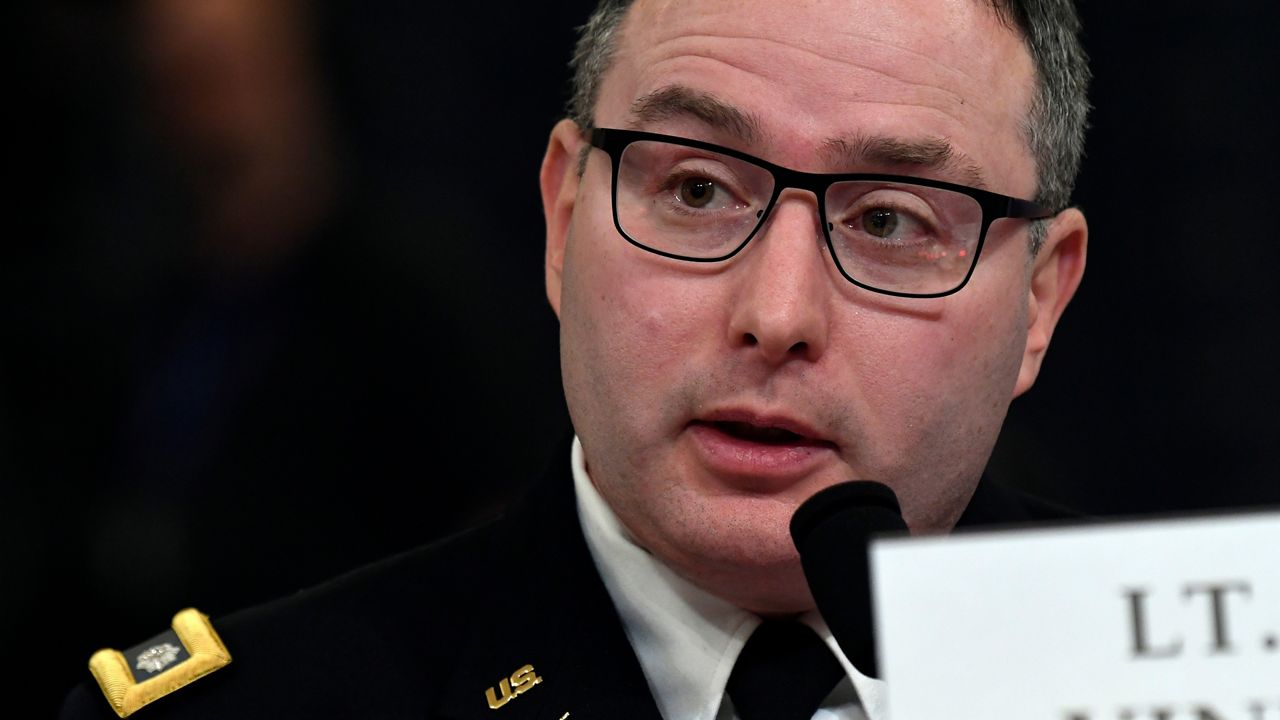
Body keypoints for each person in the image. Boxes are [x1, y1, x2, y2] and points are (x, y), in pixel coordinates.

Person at [60, 0, 1089, 717]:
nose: (775, 315)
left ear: (1039, 301)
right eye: (694, 191)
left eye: (888, 219)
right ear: (561, 220)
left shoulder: (1209, 683)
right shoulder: (269, 705)